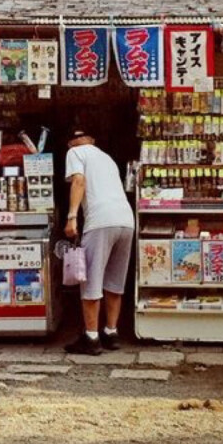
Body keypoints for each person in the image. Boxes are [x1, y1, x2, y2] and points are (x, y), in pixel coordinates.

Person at [63, 127, 135, 355]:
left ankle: (91, 338)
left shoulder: (75, 152)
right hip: (125, 220)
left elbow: (79, 182)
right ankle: (111, 332)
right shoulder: (107, 158)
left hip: (100, 221)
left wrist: (72, 216)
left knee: (91, 279)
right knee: (115, 280)